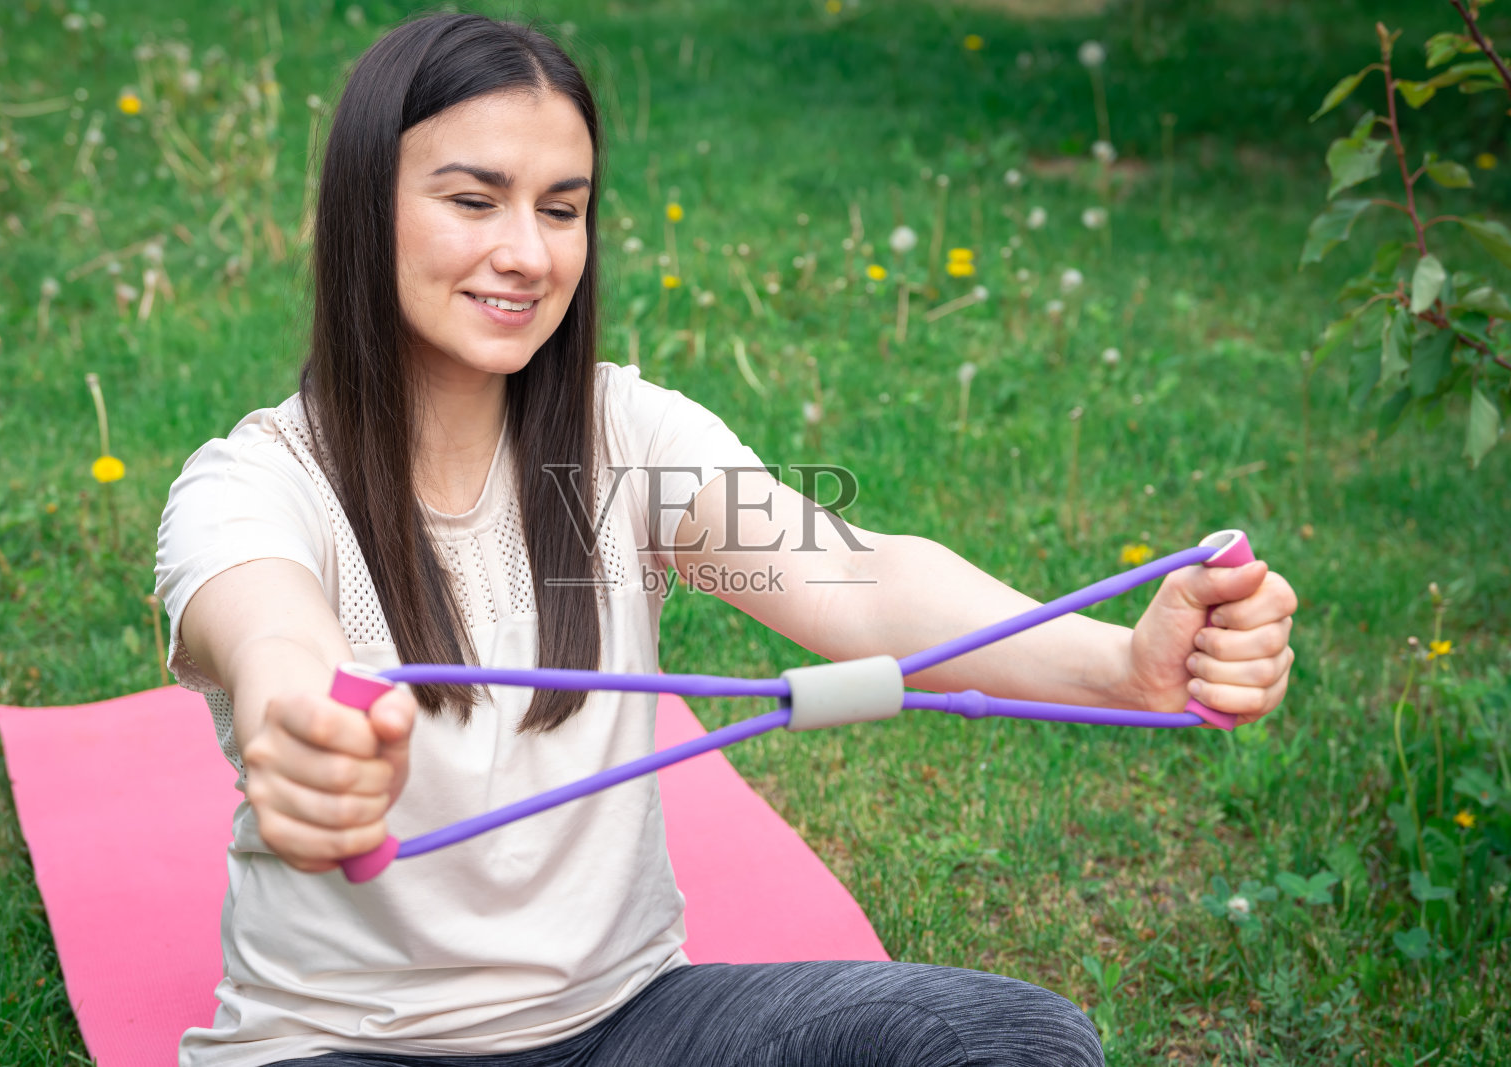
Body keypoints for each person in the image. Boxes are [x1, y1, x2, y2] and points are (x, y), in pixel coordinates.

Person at [154, 11, 1297, 1067]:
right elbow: (273, 639)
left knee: (1013, 1039)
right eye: (473, 199)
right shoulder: (252, 483)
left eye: (561, 209)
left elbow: (859, 580)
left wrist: (1119, 667)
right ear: (366, 207)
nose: (529, 253)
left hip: (627, 1023)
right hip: (346, 1044)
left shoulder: (625, 438)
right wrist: (301, 729)